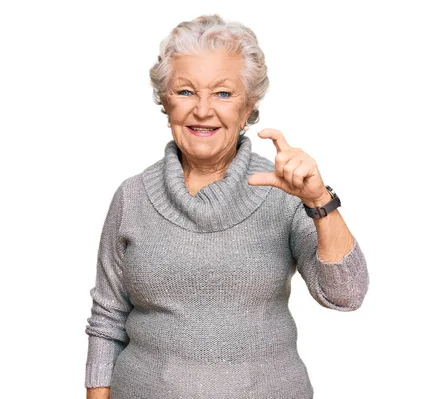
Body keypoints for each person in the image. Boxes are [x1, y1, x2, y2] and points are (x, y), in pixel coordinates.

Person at [84, 14, 369, 399]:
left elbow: (346, 294)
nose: (202, 110)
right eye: (185, 92)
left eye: (222, 93)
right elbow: (107, 320)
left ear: (248, 105)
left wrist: (318, 200)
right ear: (165, 102)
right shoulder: (131, 196)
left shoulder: (286, 191)